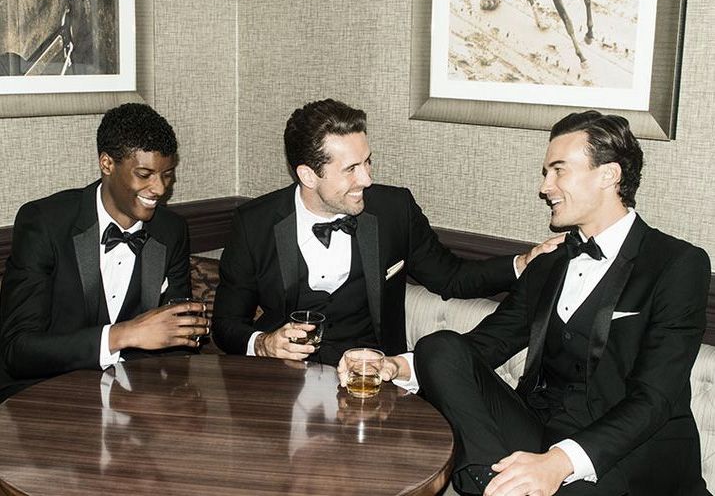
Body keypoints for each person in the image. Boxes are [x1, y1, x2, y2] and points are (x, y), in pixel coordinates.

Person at [369, 110, 711, 495]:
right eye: (546, 172)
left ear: (608, 175)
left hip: (627, 455)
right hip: (542, 430)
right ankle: (488, 479)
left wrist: (559, 462)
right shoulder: (548, 263)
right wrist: (397, 365)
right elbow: (488, 343)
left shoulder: (677, 264)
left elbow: (654, 399)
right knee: (440, 347)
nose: (545, 186)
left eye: (558, 170)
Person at [212, 98, 560, 366]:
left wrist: (521, 263)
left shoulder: (394, 210)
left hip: (372, 378)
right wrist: (263, 343)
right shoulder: (254, 224)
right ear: (307, 175)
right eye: (351, 169)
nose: (366, 179)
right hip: (281, 384)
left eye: (367, 161)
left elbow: (451, 277)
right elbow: (226, 324)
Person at [0, 103, 210, 402]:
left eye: (167, 174)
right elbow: (18, 350)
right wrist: (123, 334)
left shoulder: (171, 230)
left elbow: (176, 346)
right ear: (107, 163)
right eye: (145, 174)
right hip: (46, 395)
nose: (160, 188)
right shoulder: (45, 223)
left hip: (137, 400)